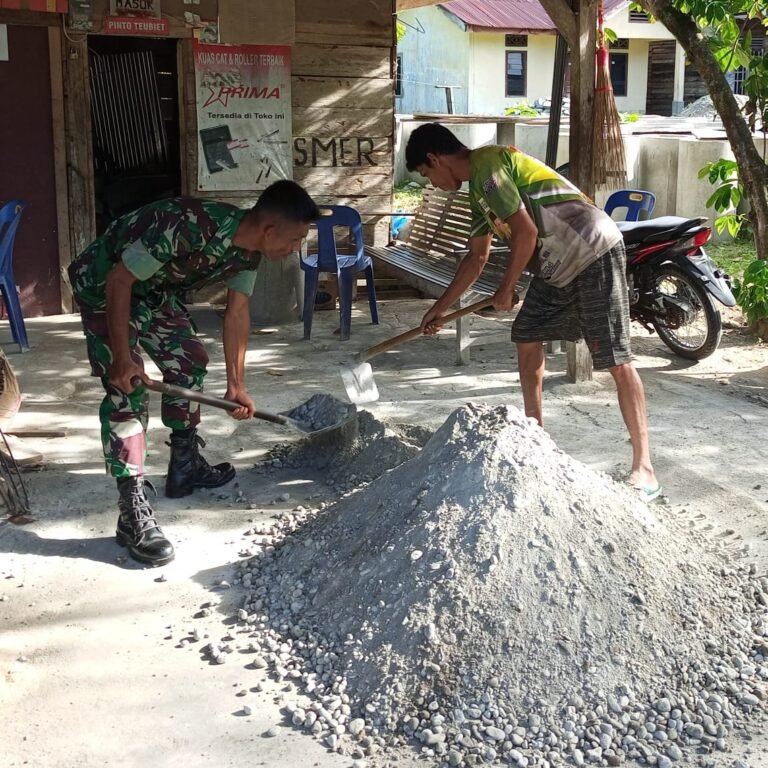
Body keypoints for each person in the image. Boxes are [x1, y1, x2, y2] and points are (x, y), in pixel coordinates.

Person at [68, 180, 320, 566]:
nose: (296, 248)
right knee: (127, 387)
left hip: (151, 291)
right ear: (270, 231)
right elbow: (120, 280)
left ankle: (184, 466)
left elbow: (237, 312)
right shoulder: (188, 225)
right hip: (105, 285)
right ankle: (131, 507)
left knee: (189, 360)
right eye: (297, 239)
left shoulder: (247, 253)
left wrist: (237, 386)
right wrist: (121, 357)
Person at [405, 123, 660, 501]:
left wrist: (506, 289)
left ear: (434, 158)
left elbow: (524, 234)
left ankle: (644, 467)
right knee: (527, 335)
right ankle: (536, 438)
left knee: (614, 356)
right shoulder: (478, 193)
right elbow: (476, 258)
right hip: (555, 265)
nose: (433, 183)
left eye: (427, 175)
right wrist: (439, 309)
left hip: (591, 249)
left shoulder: (489, 165)